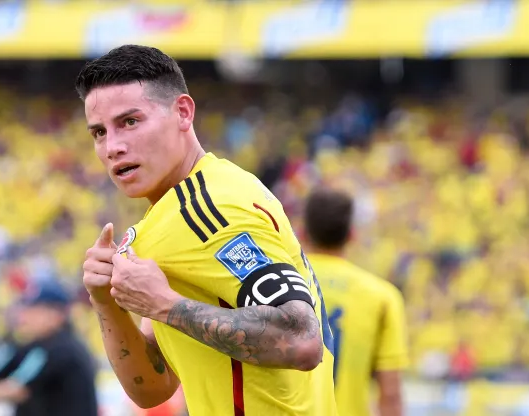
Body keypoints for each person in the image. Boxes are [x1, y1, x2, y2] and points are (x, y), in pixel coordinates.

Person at [77, 44, 337, 415]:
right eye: (99, 132)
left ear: (183, 112)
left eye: (130, 122)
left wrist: (164, 304)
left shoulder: (211, 208)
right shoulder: (177, 212)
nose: (113, 147)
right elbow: (153, 386)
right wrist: (107, 302)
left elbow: (300, 339)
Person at [302, 188, 409, 416]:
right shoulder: (382, 296)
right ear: (352, 234)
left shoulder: (279, 286)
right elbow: (390, 395)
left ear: (302, 233)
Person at [0, 279, 99, 416]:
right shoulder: (38, 345)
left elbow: (18, 389)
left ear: (55, 313)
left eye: (33, 309)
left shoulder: (61, 348)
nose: (25, 316)